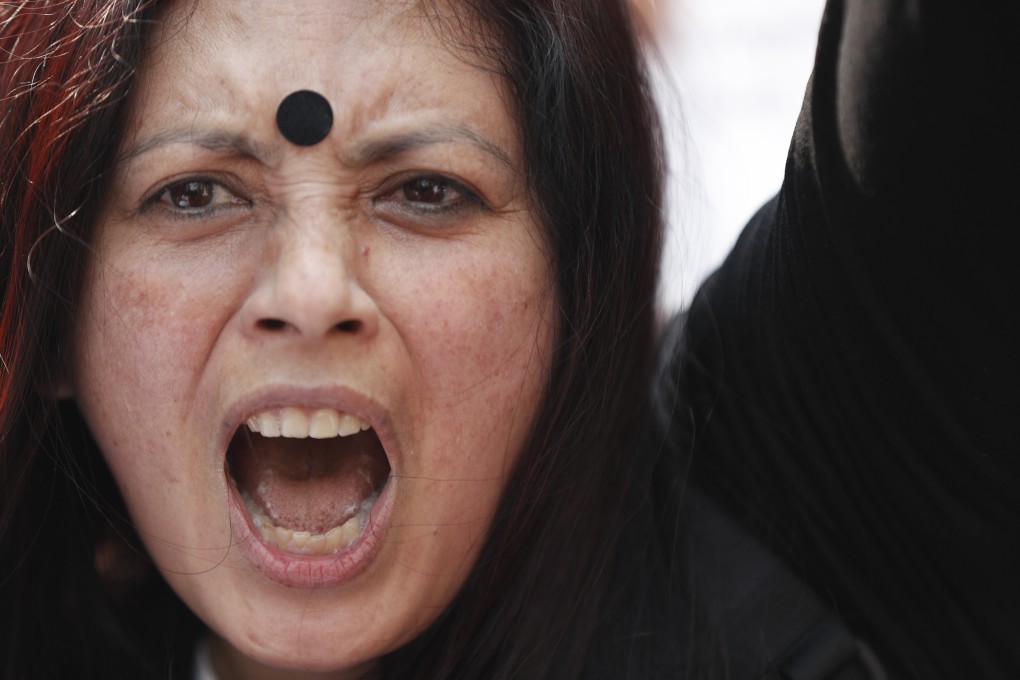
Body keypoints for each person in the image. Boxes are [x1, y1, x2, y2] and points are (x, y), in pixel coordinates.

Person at [0, 2, 1016, 680]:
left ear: (576, 288)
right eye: (195, 193)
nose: (311, 291)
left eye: (425, 190)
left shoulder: (784, 517)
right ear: (49, 324)